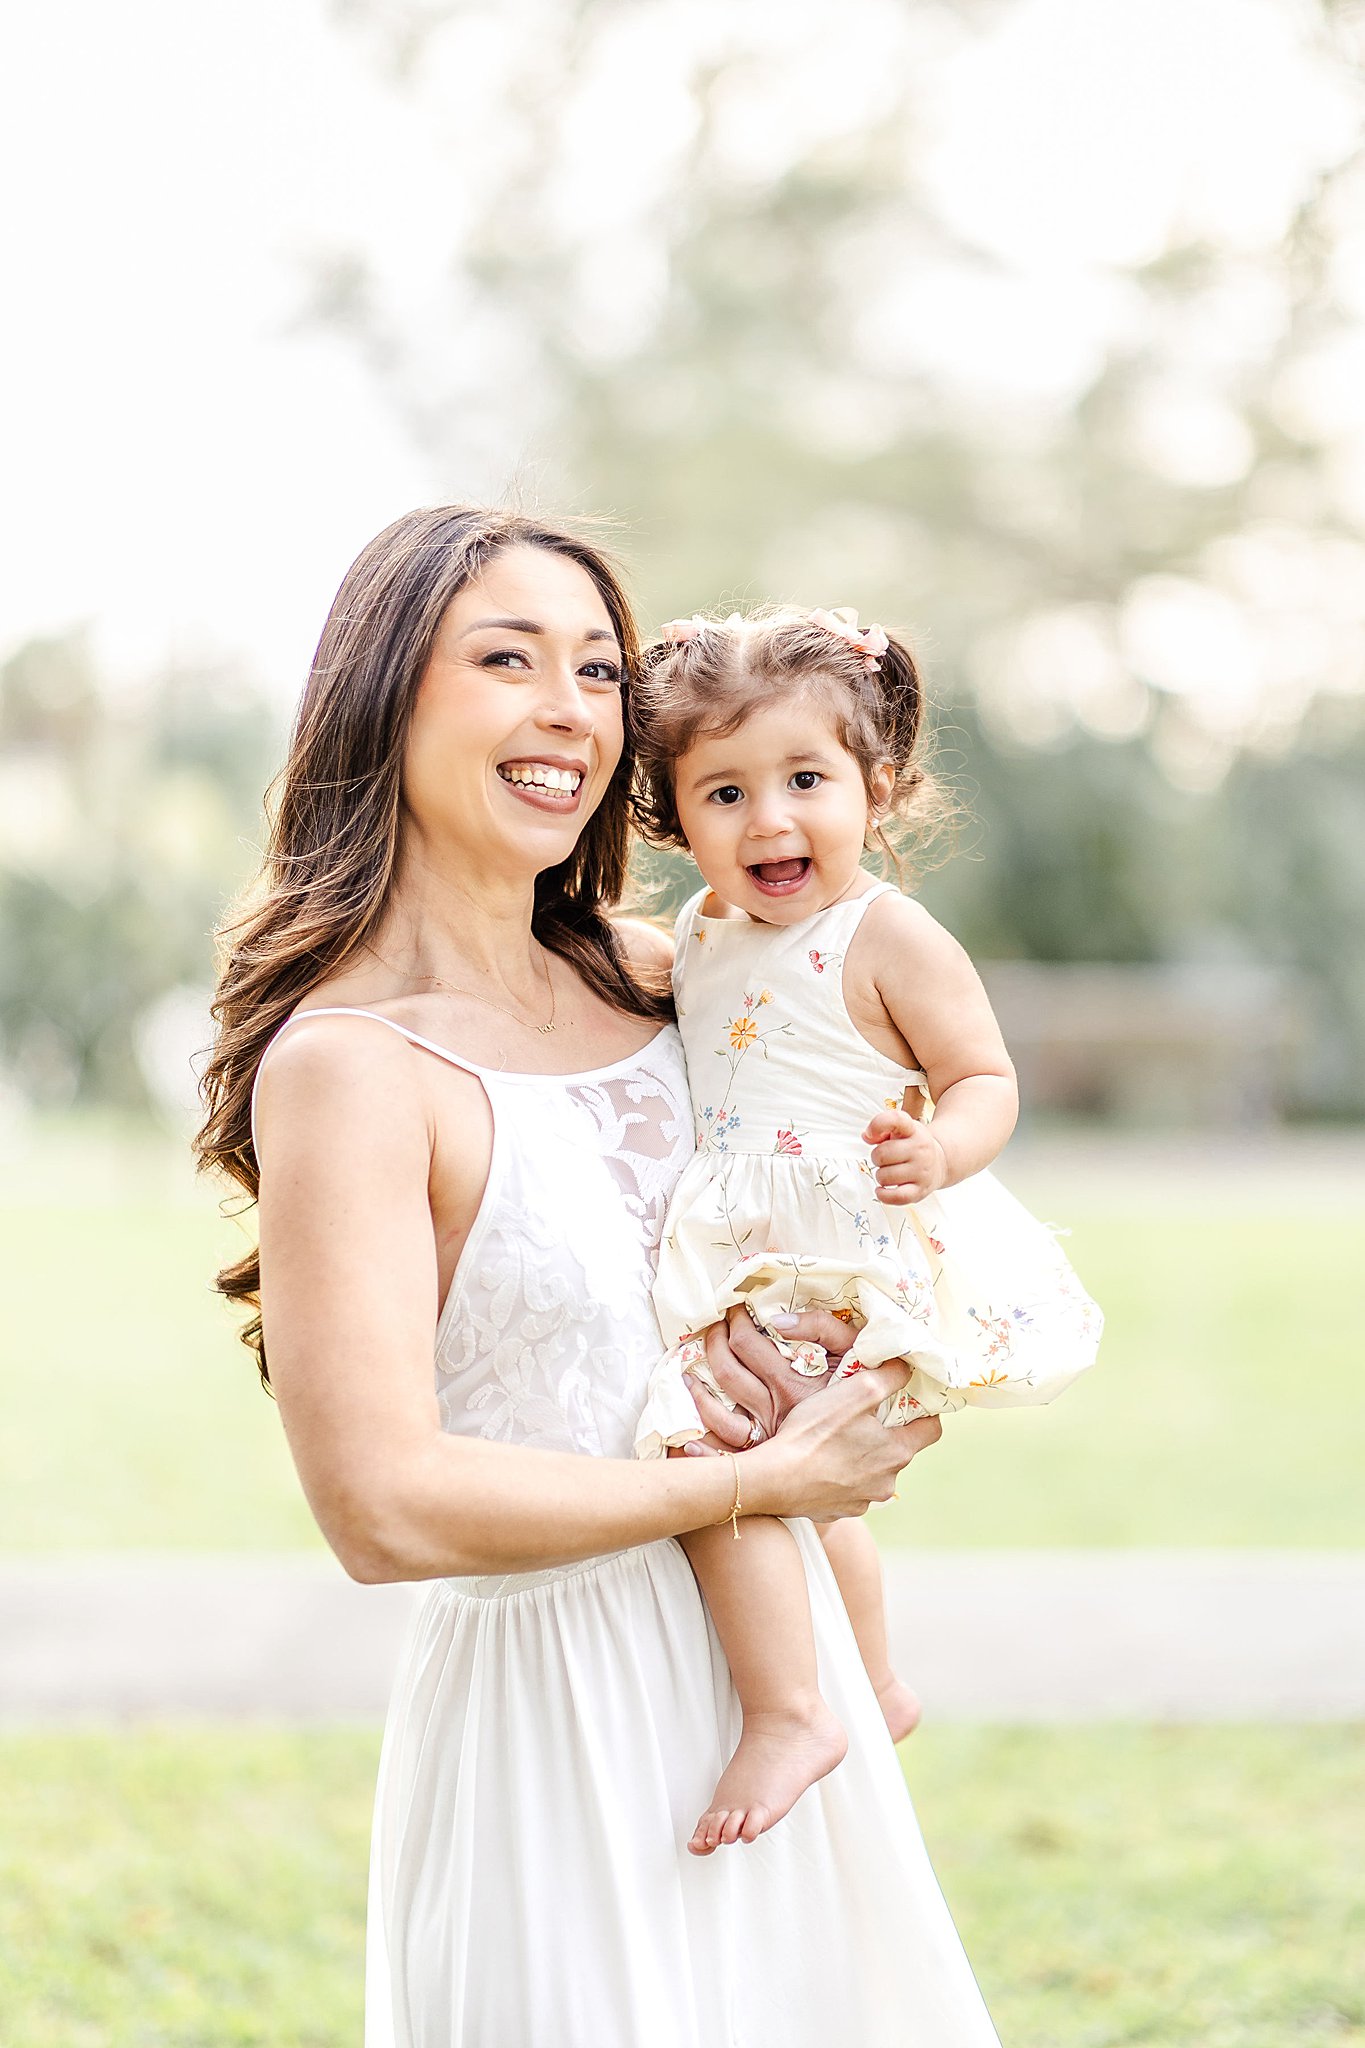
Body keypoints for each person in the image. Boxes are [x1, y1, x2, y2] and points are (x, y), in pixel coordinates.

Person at [195, 508, 1003, 2048]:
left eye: (596, 670)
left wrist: (864, 1374)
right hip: (558, 1727)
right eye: (507, 658)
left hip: (792, 1688)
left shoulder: (681, 974)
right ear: (383, 698)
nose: (568, 706)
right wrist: (752, 1480)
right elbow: (382, 1509)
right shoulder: (352, 1068)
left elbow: (861, 1189)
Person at [630, 604, 1103, 1855]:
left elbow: (985, 1076)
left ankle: (794, 1707)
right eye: (724, 791)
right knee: (799, 1495)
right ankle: (873, 1681)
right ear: (678, 819)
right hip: (740, 1241)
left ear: (874, 785)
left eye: (804, 779)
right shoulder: (696, 938)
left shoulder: (884, 932)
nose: (769, 818)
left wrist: (938, 1146)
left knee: (706, 1451)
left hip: (843, 1238)